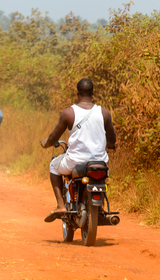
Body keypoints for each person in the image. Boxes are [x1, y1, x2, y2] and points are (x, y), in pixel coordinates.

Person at [40, 78, 116, 223]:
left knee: (53, 167)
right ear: (93, 92)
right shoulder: (104, 113)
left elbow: (53, 137)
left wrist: (46, 144)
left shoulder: (69, 113)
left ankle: (61, 205)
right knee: (103, 178)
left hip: (75, 162)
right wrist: (111, 145)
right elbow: (112, 138)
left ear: (77, 93)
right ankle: (100, 208)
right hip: (99, 162)